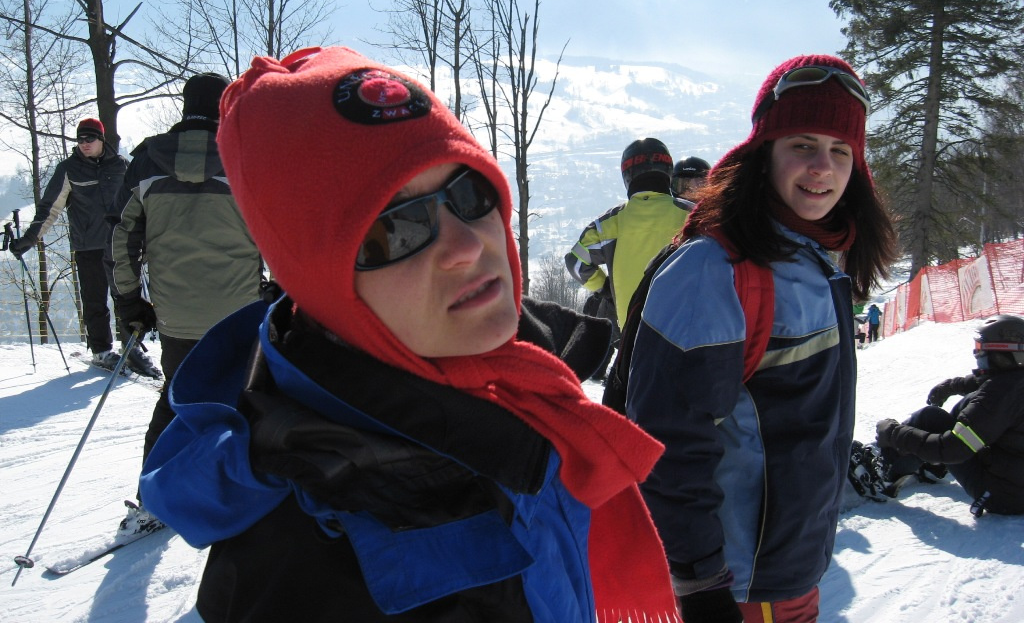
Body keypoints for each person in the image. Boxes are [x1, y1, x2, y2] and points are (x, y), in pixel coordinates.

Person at [139, 46, 679, 622]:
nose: (468, 246)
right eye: (394, 230)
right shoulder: (307, 572)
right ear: (321, 283)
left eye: (469, 194)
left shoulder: (521, 391)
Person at [626, 55, 897, 623]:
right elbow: (668, 447)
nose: (823, 166)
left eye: (841, 150)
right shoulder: (716, 271)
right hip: (741, 586)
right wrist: (700, 586)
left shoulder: (817, 258)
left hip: (792, 569)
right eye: (802, 144)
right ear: (765, 151)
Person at [108, 72, 263, 527]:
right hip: (240, 310)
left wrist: (130, 303)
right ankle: (243, 499)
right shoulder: (244, 158)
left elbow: (121, 239)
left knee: (176, 402)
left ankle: (153, 502)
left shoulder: (144, 162)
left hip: (175, 314)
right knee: (247, 401)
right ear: (223, 108)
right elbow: (276, 231)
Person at [6, 118, 150, 371]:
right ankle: (102, 352)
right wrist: (29, 240)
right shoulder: (68, 170)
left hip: (122, 245)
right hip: (89, 246)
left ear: (101, 139)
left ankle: (132, 348)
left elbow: (139, 204)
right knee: (94, 301)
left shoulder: (121, 166)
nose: (84, 144)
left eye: (89, 139)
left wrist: (147, 237)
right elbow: (49, 209)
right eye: (80, 139)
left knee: (127, 297)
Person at [873, 314, 1024, 516]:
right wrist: (952, 386)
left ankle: (880, 472)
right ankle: (927, 465)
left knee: (930, 418)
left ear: (1003, 354)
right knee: (968, 406)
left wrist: (893, 433)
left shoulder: (1000, 394)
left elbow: (952, 449)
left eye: (981, 349)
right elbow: (993, 380)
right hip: (1014, 477)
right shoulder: (1012, 382)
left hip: (1004, 496)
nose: (977, 354)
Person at [565, 138, 689, 329]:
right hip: (685, 334)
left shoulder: (608, 224)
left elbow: (576, 263)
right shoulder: (692, 215)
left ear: (628, 175)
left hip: (633, 337)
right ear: (668, 171)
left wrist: (606, 289)